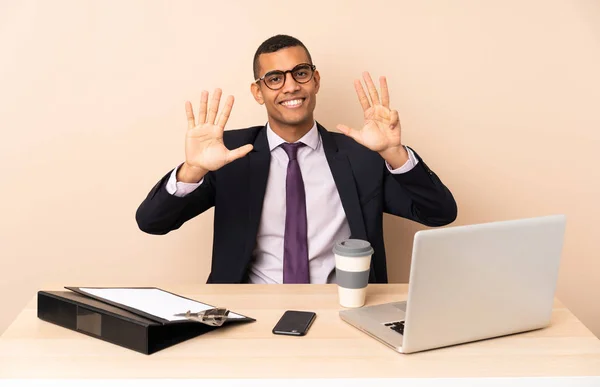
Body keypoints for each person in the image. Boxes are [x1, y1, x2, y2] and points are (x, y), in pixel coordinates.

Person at [136, 34, 457, 284]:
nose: (290, 87)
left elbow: (439, 213)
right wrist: (192, 169)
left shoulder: (361, 156)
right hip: (249, 314)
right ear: (258, 91)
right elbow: (152, 222)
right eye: (275, 78)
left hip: (343, 310)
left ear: (315, 80)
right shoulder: (229, 153)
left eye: (300, 73)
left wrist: (393, 152)